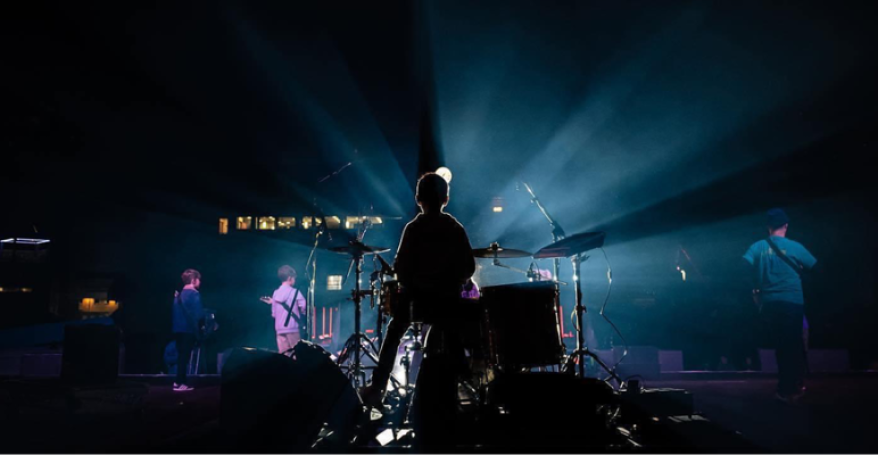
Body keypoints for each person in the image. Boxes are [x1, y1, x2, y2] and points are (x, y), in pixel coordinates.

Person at [365, 172, 476, 446]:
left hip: (418, 301)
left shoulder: (413, 228)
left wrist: (419, 282)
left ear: (418, 200)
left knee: (394, 333)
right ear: (446, 199)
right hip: (447, 301)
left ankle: (377, 388)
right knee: (453, 332)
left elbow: (401, 269)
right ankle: (467, 386)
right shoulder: (454, 227)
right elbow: (469, 267)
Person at [743, 208, 817, 403]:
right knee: (793, 344)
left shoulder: (757, 247)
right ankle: (791, 387)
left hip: (769, 303)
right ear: (786, 226)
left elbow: (743, 267)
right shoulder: (796, 247)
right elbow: (815, 267)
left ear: (768, 227)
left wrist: (755, 289)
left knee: (780, 345)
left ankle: (786, 387)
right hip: (793, 302)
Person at [261, 265, 307, 353]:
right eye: (294, 278)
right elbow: (304, 307)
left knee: (284, 354)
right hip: (292, 328)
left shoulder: (276, 293)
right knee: (296, 354)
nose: (295, 280)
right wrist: (301, 312)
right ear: (290, 278)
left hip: (279, 329)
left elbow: (274, 313)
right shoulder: (295, 292)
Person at [172, 268, 205, 392]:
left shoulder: (178, 295)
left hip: (177, 329)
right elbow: (199, 314)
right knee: (185, 357)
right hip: (188, 330)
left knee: (181, 356)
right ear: (194, 280)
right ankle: (181, 383)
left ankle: (177, 381)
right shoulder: (194, 294)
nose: (200, 282)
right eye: (199, 280)